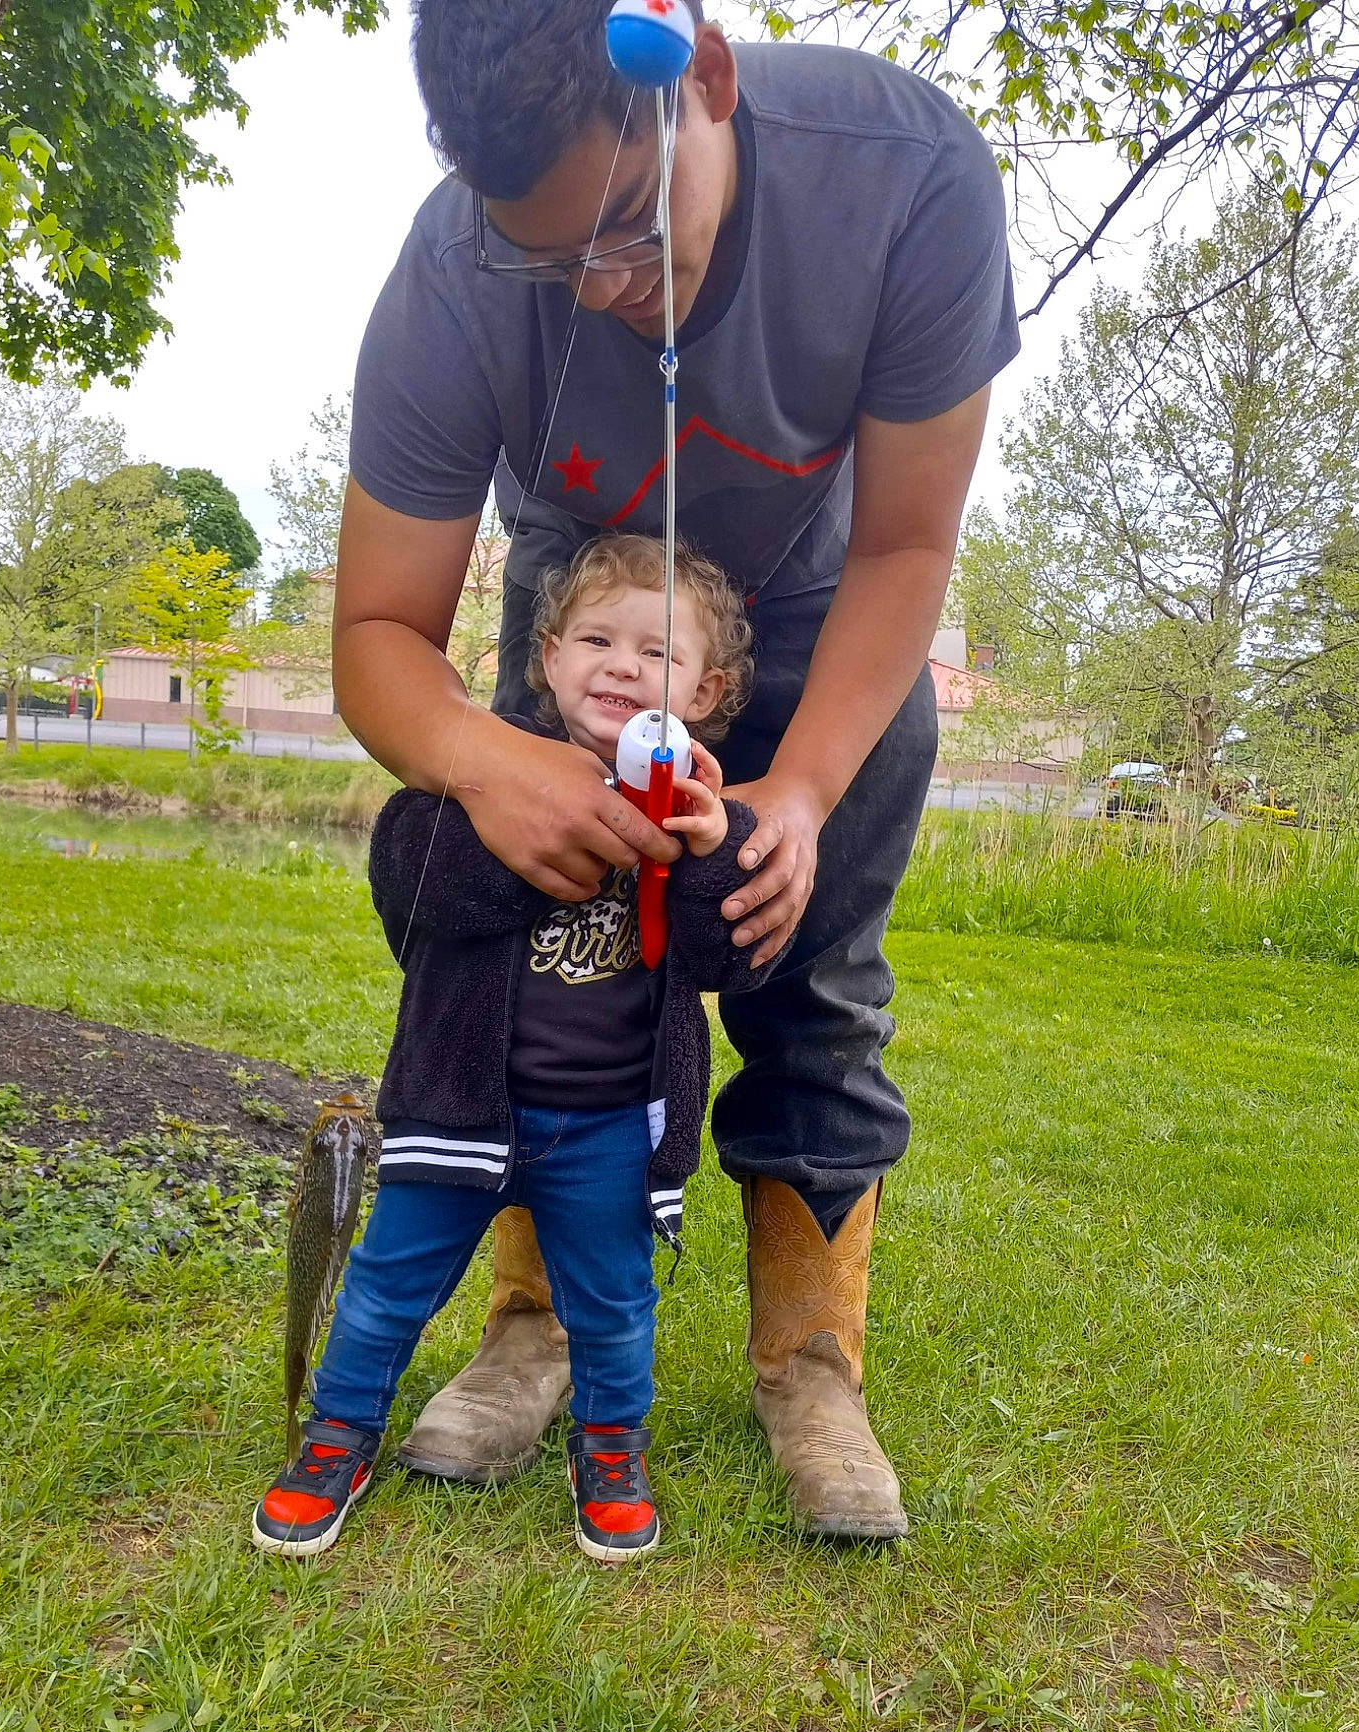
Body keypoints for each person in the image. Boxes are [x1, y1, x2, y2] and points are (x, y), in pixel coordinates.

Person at [332, 0, 1020, 1538]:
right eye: (551, 255)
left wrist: (804, 791)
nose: (610, 293)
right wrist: (486, 760)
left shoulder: (908, 176)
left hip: (828, 616)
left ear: (702, 74)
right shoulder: (449, 276)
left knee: (814, 981)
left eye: (635, 225)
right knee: (536, 977)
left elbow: (909, 546)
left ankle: (812, 1361)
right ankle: (537, 1328)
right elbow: (379, 630)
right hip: (578, 614)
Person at [253, 533, 772, 1562]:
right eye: (596, 639)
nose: (623, 664)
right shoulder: (472, 783)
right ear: (545, 657)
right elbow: (415, 894)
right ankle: (337, 1434)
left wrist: (709, 853)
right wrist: (525, 820)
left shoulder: (708, 820)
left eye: (657, 653)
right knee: (387, 1283)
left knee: (617, 1303)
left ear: (704, 690)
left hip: (610, 1126)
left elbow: (729, 962)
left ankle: (612, 1448)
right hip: (459, 1108)